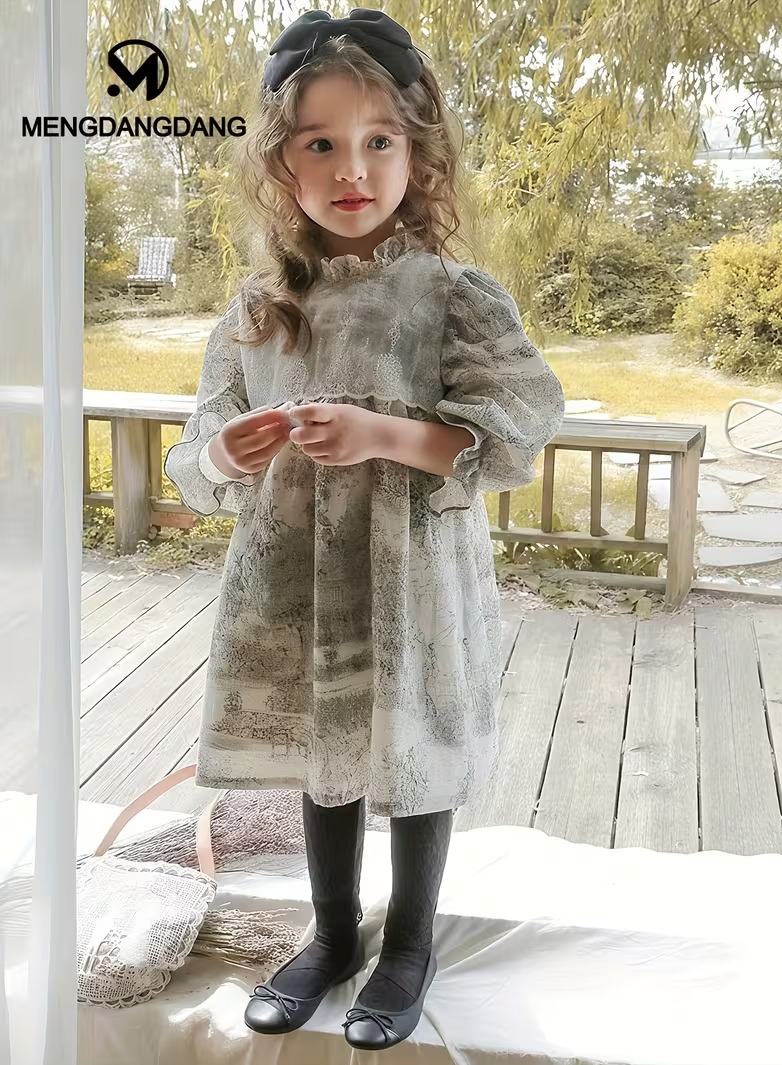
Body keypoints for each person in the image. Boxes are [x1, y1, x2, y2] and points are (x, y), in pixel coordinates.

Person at [164, 7, 565, 1051]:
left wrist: (381, 431)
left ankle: (409, 943)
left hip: (411, 577)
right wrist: (229, 452)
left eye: (379, 139)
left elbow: (515, 428)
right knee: (324, 753)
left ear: (416, 151)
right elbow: (194, 453)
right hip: (298, 581)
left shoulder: (448, 295)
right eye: (320, 144)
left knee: (413, 751)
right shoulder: (257, 311)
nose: (352, 168)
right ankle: (334, 932)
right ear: (278, 162)